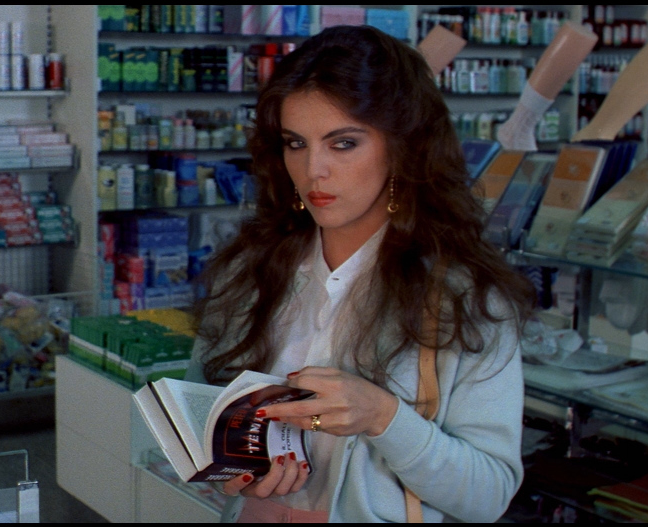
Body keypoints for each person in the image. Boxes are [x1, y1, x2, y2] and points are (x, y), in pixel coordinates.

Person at [185, 25, 535, 523]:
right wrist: (234, 472)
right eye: (295, 143)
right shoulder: (248, 272)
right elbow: (201, 422)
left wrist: (384, 418)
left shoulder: (466, 298)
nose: (314, 170)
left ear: (402, 147)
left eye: (343, 143)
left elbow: (488, 495)